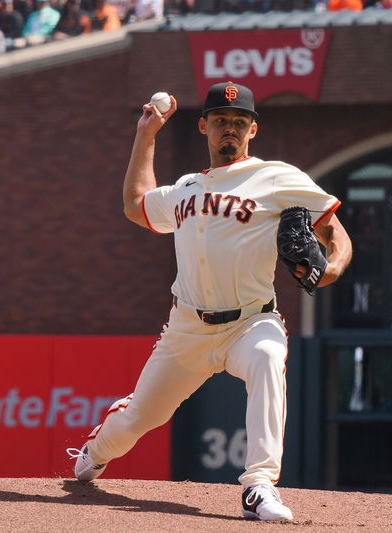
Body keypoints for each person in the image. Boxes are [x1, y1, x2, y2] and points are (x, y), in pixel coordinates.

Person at [66, 82, 352, 522]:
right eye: (221, 121)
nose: (230, 130)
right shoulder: (185, 188)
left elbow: (337, 235)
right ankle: (95, 449)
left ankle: (259, 485)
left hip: (250, 321)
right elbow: (134, 205)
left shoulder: (278, 177)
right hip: (187, 330)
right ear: (204, 126)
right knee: (140, 418)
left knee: (267, 358)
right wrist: (146, 135)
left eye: (240, 123)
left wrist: (330, 269)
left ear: (253, 130)